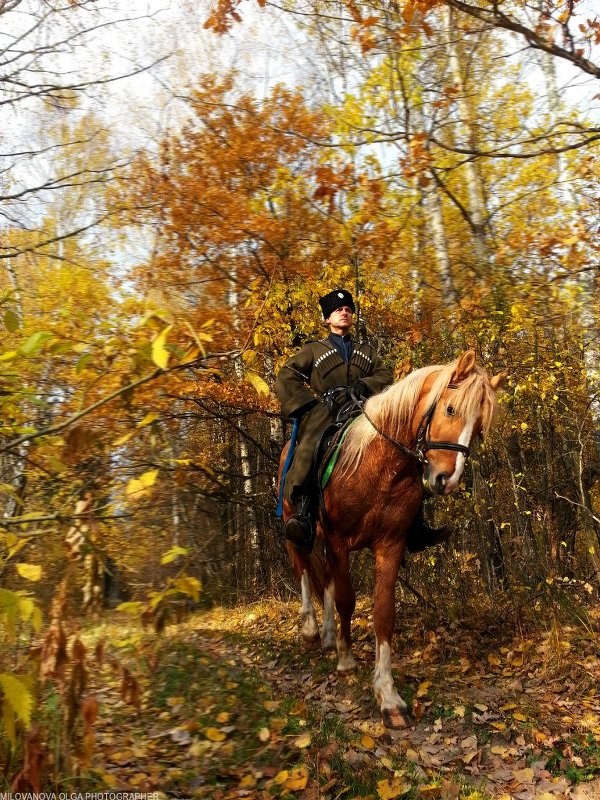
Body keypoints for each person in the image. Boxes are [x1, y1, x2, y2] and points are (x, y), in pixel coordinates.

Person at [275, 289, 449, 551]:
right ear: (327, 319)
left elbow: (384, 374)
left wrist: (362, 386)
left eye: (348, 310)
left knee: (404, 449)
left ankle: (415, 524)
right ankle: (303, 512)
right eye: (337, 310)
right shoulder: (313, 350)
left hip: (365, 409)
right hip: (326, 412)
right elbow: (285, 376)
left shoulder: (366, 351)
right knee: (311, 446)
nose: (344, 313)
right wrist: (308, 405)